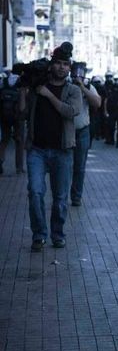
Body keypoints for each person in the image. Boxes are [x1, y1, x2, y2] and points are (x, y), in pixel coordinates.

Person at [19, 42, 82, 251]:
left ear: (69, 68)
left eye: (66, 64)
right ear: (51, 65)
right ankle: (39, 235)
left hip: (62, 150)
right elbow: (23, 113)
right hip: (37, 149)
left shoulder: (73, 90)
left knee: (60, 198)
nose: (62, 67)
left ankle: (57, 234)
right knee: (35, 191)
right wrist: (24, 89)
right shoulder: (37, 88)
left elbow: (70, 112)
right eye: (58, 63)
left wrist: (48, 95)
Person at [70, 64, 101, 207]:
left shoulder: (88, 87)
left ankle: (76, 196)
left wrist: (82, 87)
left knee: (79, 166)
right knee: (63, 165)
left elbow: (97, 103)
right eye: (75, 74)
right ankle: (62, 193)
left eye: (80, 74)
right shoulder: (65, 84)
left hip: (82, 130)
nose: (77, 77)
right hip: (66, 130)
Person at [0, 71, 25, 175]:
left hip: (4, 114)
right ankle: (19, 168)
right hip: (18, 115)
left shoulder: (3, 81)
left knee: (4, 140)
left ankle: (0, 161)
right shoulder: (21, 82)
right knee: (19, 141)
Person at [103, 74, 118, 147]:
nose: (117, 81)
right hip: (112, 110)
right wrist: (105, 110)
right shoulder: (110, 88)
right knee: (111, 126)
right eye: (116, 80)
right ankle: (111, 139)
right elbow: (106, 99)